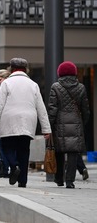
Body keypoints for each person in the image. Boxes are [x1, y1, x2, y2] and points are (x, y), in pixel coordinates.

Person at [0, 57, 51, 188]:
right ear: (26, 70)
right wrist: (46, 129)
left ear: (11, 69)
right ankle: (23, 181)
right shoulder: (33, 84)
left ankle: (14, 166)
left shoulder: (6, 83)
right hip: (28, 120)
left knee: (7, 147)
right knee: (24, 150)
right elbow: (41, 108)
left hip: (9, 119)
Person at [48, 61, 90, 189]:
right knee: (73, 152)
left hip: (59, 123)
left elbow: (52, 108)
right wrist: (83, 122)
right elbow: (85, 109)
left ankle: (59, 178)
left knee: (59, 151)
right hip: (76, 122)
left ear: (60, 73)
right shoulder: (81, 87)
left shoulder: (55, 87)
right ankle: (70, 181)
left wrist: (49, 124)